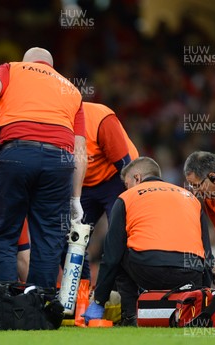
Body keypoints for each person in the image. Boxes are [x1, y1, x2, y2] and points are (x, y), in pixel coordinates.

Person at [0, 47, 87, 289]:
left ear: (27, 61)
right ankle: (39, 305)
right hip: (60, 163)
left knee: (2, 233)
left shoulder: (12, 69)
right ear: (51, 66)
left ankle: (2, 302)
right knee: (48, 239)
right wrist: (76, 197)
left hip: (17, 154)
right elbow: (80, 151)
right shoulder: (71, 90)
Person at [82, 157, 208, 326]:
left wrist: (99, 301)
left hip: (149, 270)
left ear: (137, 179)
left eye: (127, 184)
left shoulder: (127, 197)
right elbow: (207, 253)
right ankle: (194, 312)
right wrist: (205, 294)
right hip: (190, 273)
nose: (126, 188)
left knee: (119, 250)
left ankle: (131, 317)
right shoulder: (190, 198)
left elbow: (111, 257)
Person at [62, 101, 138, 283]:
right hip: (83, 184)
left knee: (122, 236)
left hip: (116, 177)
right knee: (70, 239)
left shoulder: (101, 119)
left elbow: (126, 168)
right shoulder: (49, 121)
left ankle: (124, 295)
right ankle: (81, 292)